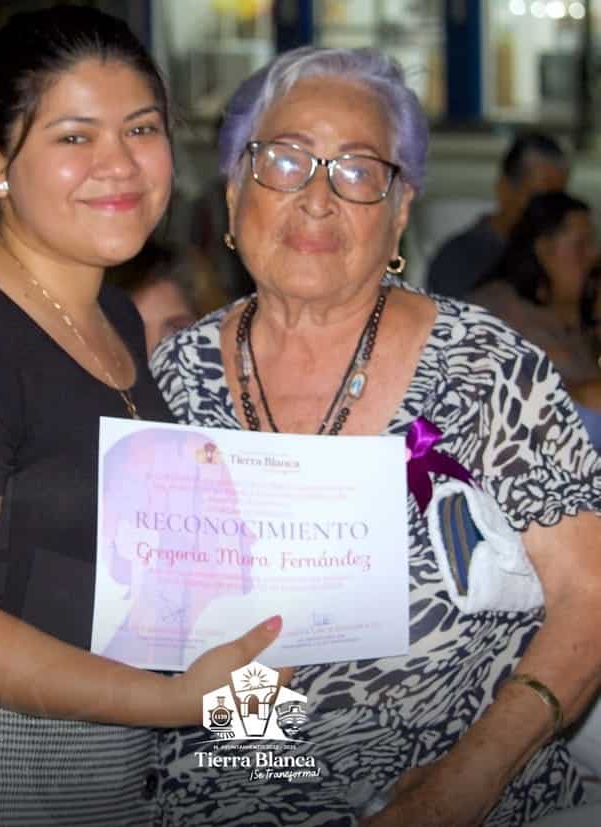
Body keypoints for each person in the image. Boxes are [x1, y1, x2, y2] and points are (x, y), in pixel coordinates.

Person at [0, 8, 284, 826]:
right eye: (75, 137)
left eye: (142, 127)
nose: (119, 165)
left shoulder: (114, 319)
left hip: (96, 754)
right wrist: (181, 705)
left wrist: (265, 704)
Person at [149, 47, 601, 826]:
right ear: (233, 195)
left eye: (357, 171)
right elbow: (154, 625)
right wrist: (278, 777)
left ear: (398, 212)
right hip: (221, 787)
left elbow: (589, 595)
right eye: (285, 160)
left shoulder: (484, 368)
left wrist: (472, 776)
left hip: (465, 790)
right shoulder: (172, 377)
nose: (318, 199)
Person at [469, 192, 601, 408]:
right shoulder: (495, 310)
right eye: (581, 245)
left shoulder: (583, 318)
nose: (593, 254)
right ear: (544, 250)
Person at [427, 131, 569, 299]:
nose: (550, 211)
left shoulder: (559, 257)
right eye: (538, 199)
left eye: (558, 201)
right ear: (505, 189)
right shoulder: (459, 260)